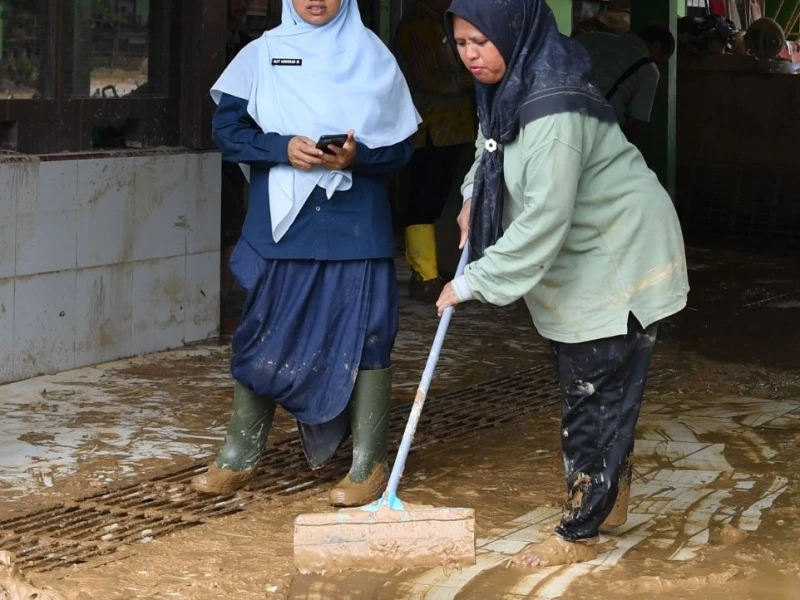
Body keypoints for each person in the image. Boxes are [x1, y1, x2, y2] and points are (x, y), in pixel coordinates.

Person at [437, 0, 689, 568]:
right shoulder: (512, 83)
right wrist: (474, 195)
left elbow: (543, 222)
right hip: (589, 257)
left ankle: (579, 532)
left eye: (482, 41)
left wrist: (473, 281)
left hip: (619, 255)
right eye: (461, 42)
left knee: (593, 395)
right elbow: (491, 145)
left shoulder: (552, 111)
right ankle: (609, 497)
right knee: (600, 387)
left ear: (515, 32)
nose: (471, 55)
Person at [191, 0, 420, 509]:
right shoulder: (262, 53)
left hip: (356, 219)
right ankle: (239, 453)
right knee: (264, 326)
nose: (316, 0)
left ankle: (368, 464)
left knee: (368, 332)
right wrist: (280, 148)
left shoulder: (373, 55)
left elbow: (404, 147)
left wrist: (359, 158)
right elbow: (226, 132)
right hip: (282, 223)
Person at [394, 0, 476, 302]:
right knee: (424, 199)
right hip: (430, 127)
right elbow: (426, 77)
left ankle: (430, 272)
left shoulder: (443, 21)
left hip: (449, 127)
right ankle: (424, 275)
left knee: (435, 197)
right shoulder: (417, 26)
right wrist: (473, 74)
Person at [575, 25, 675, 141]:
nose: (660, 64)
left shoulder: (594, 37)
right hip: (596, 129)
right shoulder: (648, 69)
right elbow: (636, 121)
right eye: (662, 60)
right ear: (656, 47)